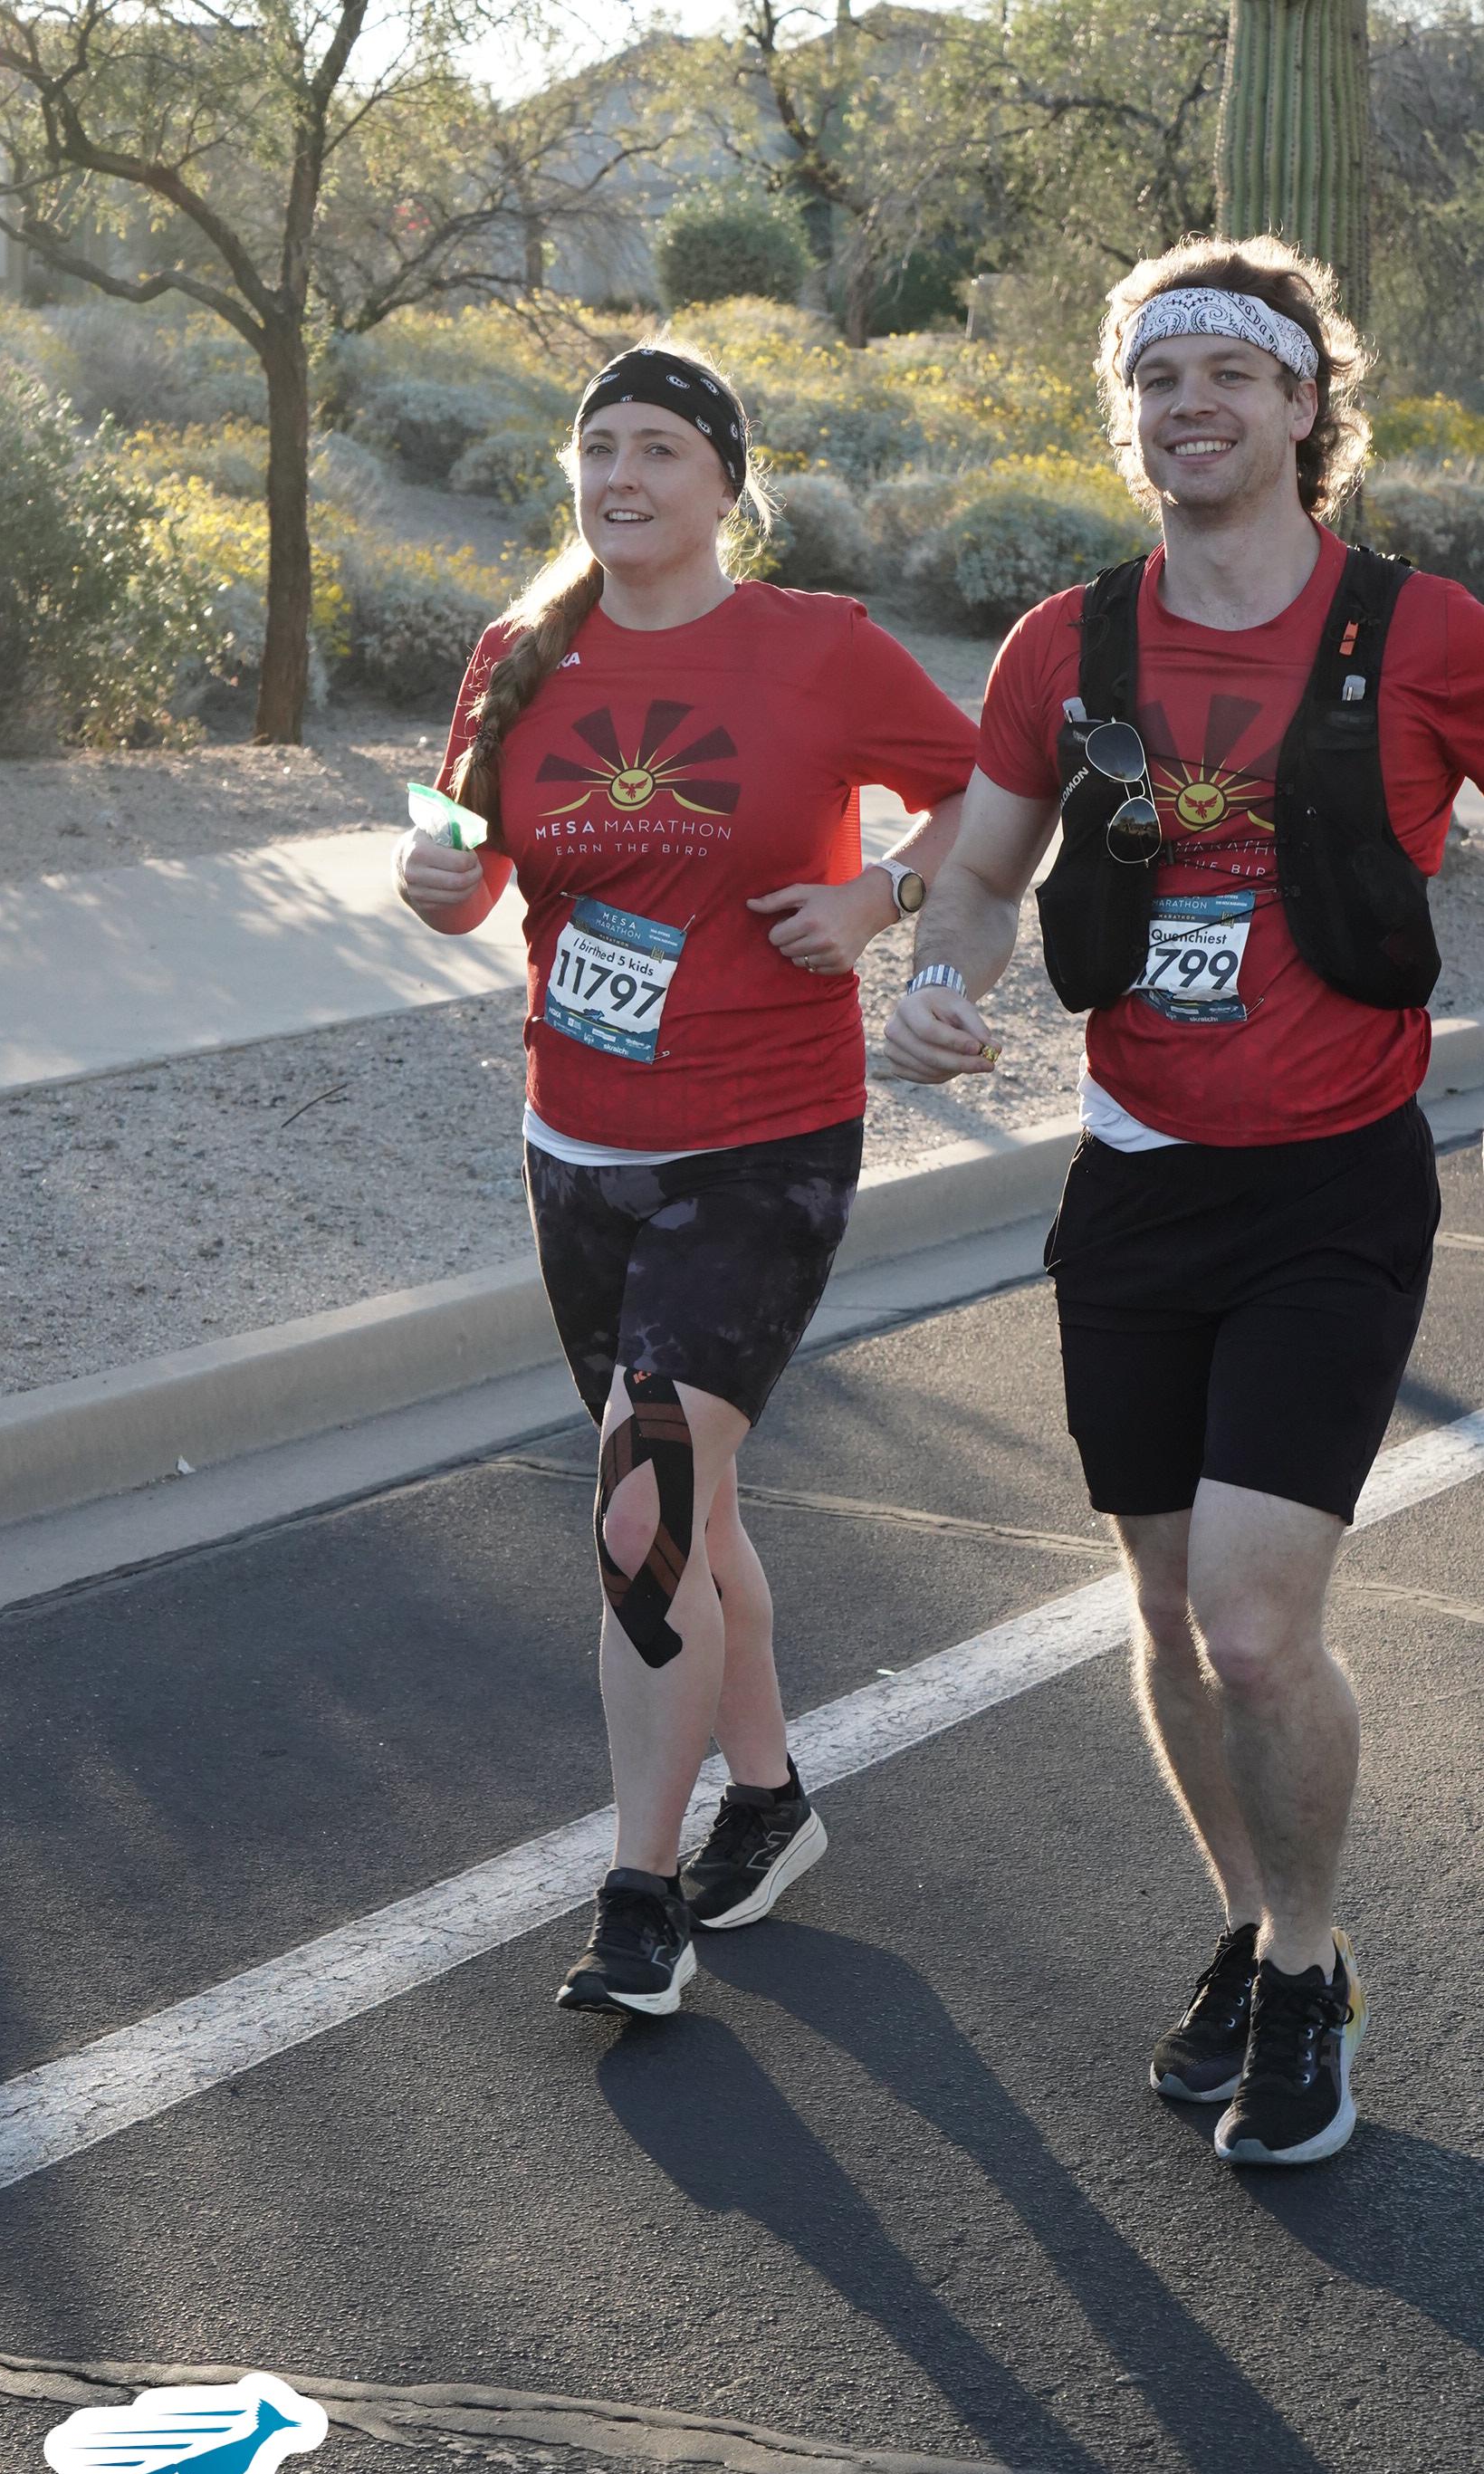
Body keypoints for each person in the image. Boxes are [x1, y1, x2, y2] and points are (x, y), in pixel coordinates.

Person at [885, 237, 1484, 2165]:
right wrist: (941, 982)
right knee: (1158, 1600)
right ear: (1125, 415)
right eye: (1155, 377)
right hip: (1135, 1180)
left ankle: (1308, 1971)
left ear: (1306, 405)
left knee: (1249, 1621)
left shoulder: (1423, 633)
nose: (1189, 404)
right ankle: (1245, 1919)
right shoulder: (1065, 648)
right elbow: (984, 875)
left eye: (1231, 372)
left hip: (1332, 1186)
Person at [395, 339, 981, 2016]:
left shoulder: (818, 647)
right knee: (689, 1503)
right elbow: (458, 849)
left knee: (643, 1497)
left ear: (728, 480)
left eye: (660, 447)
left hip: (762, 1142)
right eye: (600, 448)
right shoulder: (519, 651)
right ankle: (770, 1802)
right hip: (575, 1145)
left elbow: (990, 795)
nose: (622, 477)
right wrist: (434, 874)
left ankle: (637, 1897)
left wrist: (878, 897)